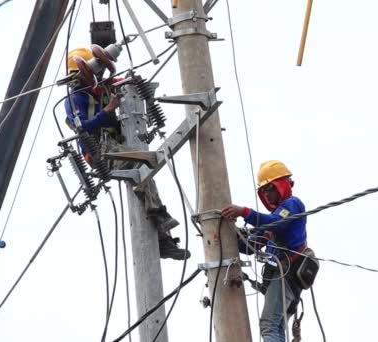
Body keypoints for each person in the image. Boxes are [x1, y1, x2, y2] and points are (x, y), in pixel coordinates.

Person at [65, 47, 190, 260]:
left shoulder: (103, 88)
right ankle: (160, 219)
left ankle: (162, 238)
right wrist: (108, 110)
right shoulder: (74, 98)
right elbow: (82, 128)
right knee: (140, 168)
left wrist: (132, 83)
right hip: (99, 151)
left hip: (116, 146)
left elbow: (128, 83)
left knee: (142, 171)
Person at [221, 160, 307, 342]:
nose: (267, 194)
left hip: (287, 274)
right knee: (277, 326)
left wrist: (244, 211)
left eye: (270, 188)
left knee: (269, 325)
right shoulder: (273, 218)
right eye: (264, 190)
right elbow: (250, 247)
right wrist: (234, 235)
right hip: (282, 276)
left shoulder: (292, 205)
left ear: (282, 185)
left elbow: (273, 222)